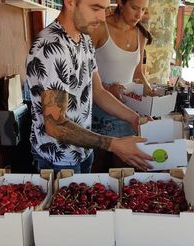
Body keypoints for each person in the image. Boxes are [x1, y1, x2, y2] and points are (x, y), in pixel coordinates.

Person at [26, 0, 154, 174]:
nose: (102, 18)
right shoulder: (52, 46)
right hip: (59, 158)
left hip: (83, 150)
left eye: (104, 9)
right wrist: (113, 144)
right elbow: (55, 125)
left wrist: (133, 118)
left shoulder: (84, 38)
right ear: (70, 2)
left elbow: (98, 91)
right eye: (95, 8)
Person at [89, 0, 155, 172]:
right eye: (134, 8)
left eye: (143, 10)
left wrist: (150, 92)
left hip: (129, 111)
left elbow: (138, 73)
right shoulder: (100, 28)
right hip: (99, 108)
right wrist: (106, 88)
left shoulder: (140, 34)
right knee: (98, 167)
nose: (138, 15)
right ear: (120, 3)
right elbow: (82, 72)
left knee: (125, 169)